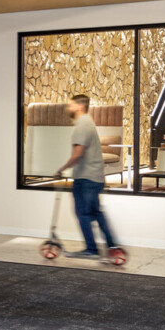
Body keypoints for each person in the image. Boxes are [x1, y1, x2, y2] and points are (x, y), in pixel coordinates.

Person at [58, 93, 120, 261]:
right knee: (96, 213)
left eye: (71, 105)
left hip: (86, 179)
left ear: (79, 106)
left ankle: (92, 249)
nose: (68, 108)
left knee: (83, 214)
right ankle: (112, 246)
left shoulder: (82, 125)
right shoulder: (87, 123)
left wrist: (62, 169)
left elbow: (78, 153)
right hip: (95, 178)